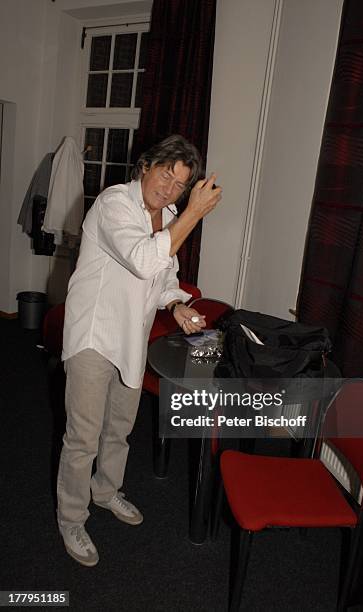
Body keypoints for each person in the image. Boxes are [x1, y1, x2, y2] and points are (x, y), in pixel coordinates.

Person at [57, 134, 222, 566]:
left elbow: (164, 274)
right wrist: (193, 214)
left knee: (119, 430)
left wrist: (177, 303)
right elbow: (143, 259)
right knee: (83, 438)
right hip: (94, 336)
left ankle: (106, 491)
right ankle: (71, 517)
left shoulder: (167, 215)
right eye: (166, 174)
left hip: (131, 339)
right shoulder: (115, 204)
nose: (169, 188)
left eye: (180, 184)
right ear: (145, 166)